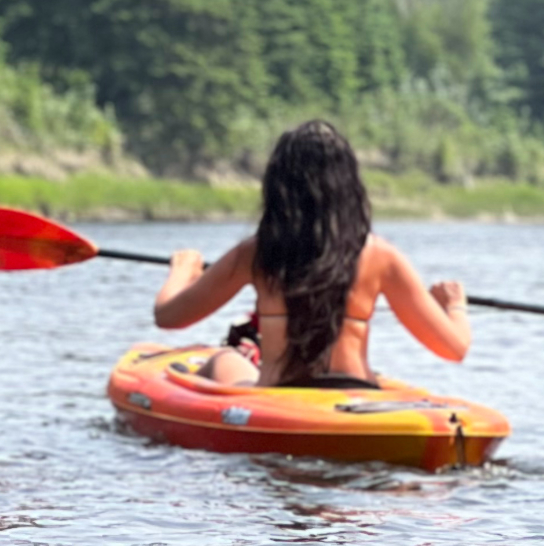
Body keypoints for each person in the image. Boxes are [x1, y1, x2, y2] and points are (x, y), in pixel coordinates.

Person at [151, 120, 470, 387]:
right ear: (349, 185)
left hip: (279, 396)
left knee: (225, 358)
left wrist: (183, 270)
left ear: (278, 187)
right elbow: (454, 348)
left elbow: (168, 316)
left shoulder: (257, 252)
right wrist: (454, 306)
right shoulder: (382, 256)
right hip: (356, 390)